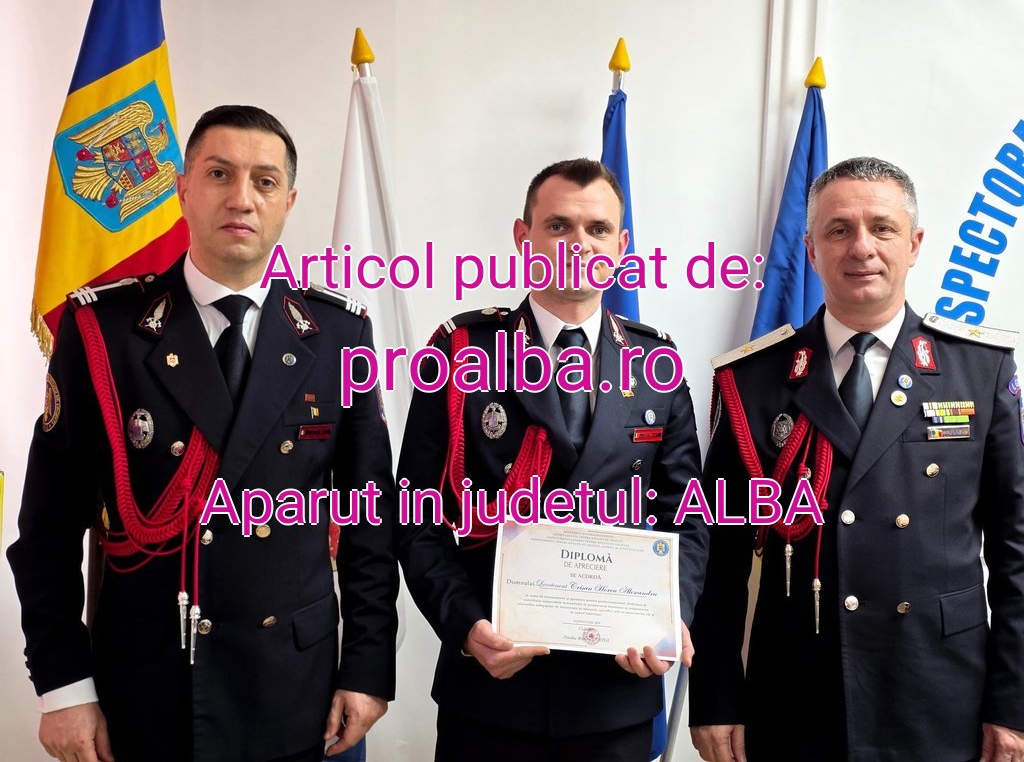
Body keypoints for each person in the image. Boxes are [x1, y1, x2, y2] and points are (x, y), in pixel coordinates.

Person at [7, 105, 399, 762]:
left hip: (295, 692)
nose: (242, 198)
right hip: (147, 691)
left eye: (265, 181)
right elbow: (47, 529)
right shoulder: (104, 332)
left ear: (288, 202)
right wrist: (64, 686)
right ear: (182, 187)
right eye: (220, 174)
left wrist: (367, 668)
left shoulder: (339, 335)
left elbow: (371, 524)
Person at [688, 157, 1024, 762]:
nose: (861, 247)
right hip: (798, 696)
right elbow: (720, 556)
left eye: (883, 228)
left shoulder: (980, 370)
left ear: (914, 244)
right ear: (811, 250)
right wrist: (715, 696)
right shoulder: (755, 379)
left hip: (940, 694)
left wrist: (1014, 704)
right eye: (838, 230)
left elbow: (1015, 553)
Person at [396, 158, 708, 761]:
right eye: (559, 225)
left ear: (621, 245)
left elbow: (688, 518)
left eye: (597, 229)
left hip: (614, 694)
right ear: (524, 237)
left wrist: (669, 616)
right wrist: (465, 626)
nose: (579, 244)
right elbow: (416, 518)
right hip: (489, 694)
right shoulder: (461, 351)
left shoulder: (656, 364)